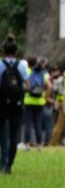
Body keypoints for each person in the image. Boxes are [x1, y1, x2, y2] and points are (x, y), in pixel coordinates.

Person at [0, 35, 28, 174]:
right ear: (16, 51)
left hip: (2, 104)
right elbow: (26, 84)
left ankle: (2, 161)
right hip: (16, 105)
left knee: (2, 134)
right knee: (13, 135)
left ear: (3, 51)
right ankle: (8, 165)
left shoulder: (0, 65)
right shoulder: (21, 65)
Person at [22, 57, 51, 151]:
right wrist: (46, 97)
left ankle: (27, 144)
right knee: (38, 124)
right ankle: (39, 145)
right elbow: (49, 86)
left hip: (28, 101)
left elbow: (25, 85)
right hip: (39, 102)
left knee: (28, 124)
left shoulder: (27, 71)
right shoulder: (44, 73)